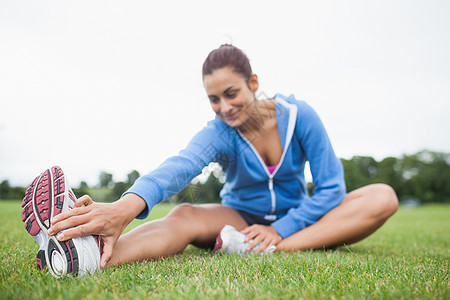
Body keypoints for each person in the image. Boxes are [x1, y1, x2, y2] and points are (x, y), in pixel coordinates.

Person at [37, 45, 398, 273]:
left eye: (231, 93)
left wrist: (279, 230)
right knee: (185, 214)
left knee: (383, 196)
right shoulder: (221, 131)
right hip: (239, 216)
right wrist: (124, 207)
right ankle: (88, 258)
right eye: (214, 99)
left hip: (298, 219)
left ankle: (268, 248)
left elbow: (332, 188)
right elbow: (181, 165)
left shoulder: (300, 115)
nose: (225, 107)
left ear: (253, 82)